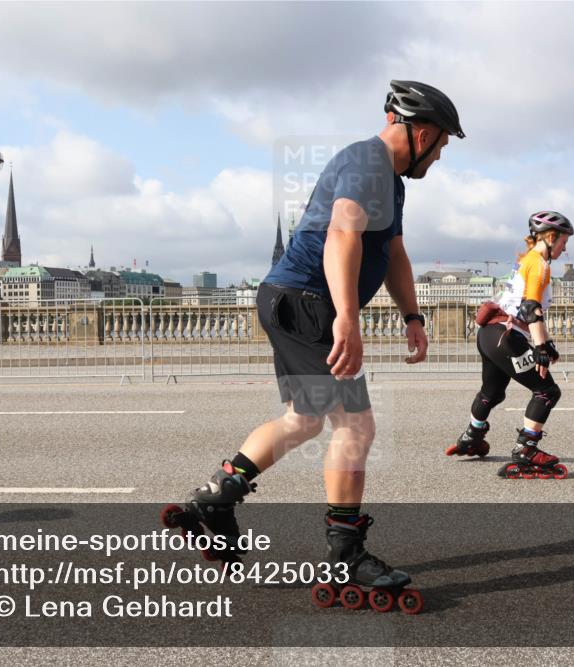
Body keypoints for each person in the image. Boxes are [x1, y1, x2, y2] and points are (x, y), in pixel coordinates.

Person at [165, 80, 464, 612]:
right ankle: (346, 554)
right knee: (356, 425)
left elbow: (392, 251)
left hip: (292, 298)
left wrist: (413, 315)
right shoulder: (368, 162)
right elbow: (342, 235)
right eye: (441, 141)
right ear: (418, 130)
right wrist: (347, 316)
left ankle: (214, 500)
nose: (442, 153)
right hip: (308, 301)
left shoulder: (391, 180)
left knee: (304, 419)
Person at [446, 211, 574, 479]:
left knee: (492, 393)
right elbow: (530, 308)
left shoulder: (526, 260)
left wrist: (546, 342)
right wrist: (540, 350)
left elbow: (528, 308)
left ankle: (473, 434)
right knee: (547, 392)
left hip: (489, 334)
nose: (565, 247)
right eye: (563, 241)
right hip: (507, 337)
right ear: (551, 237)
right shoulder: (539, 264)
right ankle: (526, 450)